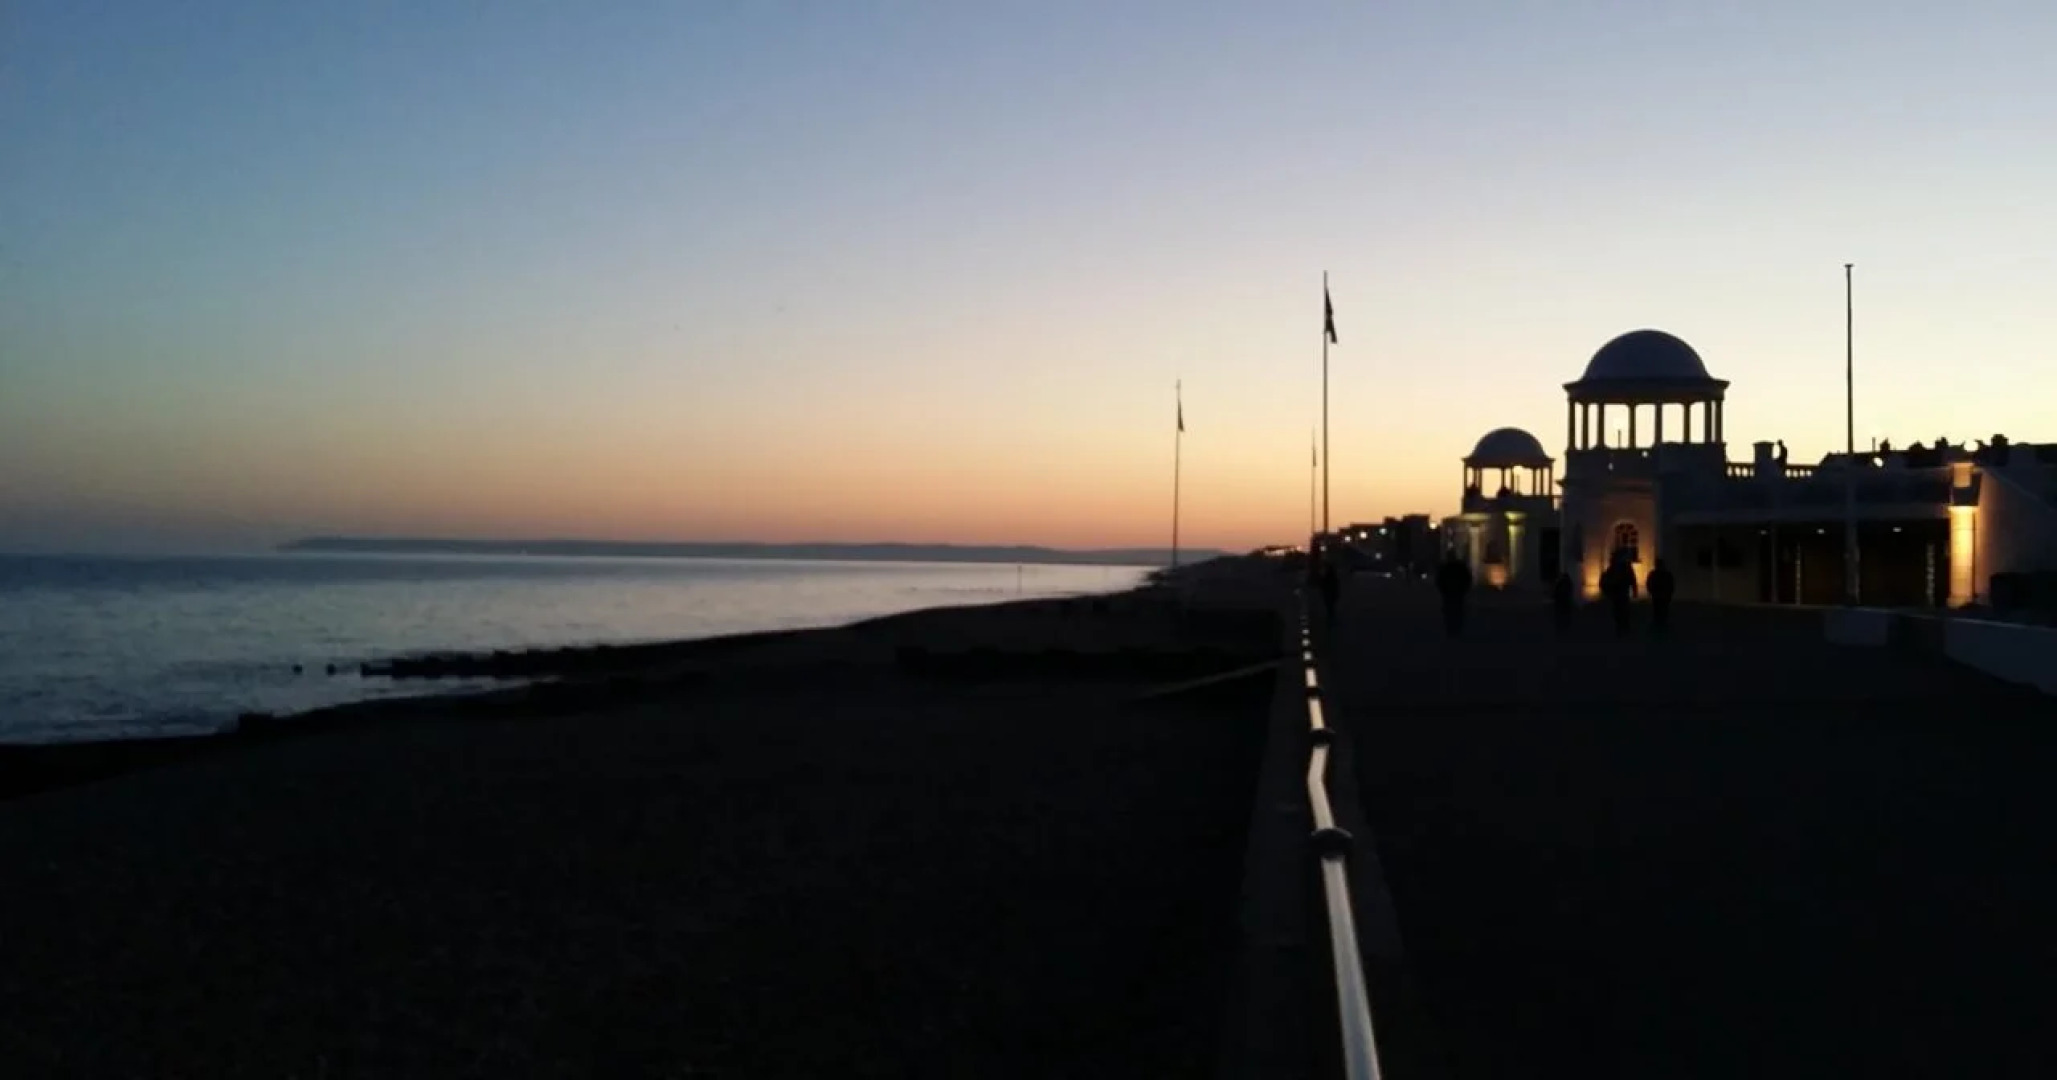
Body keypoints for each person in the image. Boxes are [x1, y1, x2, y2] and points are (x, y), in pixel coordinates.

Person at [1435, 552, 1472, 637]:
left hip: (1450, 593)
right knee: (1457, 611)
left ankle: (1451, 629)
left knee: (1450, 611)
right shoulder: (1460, 567)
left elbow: (1439, 580)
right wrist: (1464, 589)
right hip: (1457, 592)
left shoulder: (1445, 567)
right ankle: (1456, 628)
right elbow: (1467, 578)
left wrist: (1443, 590)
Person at [1600, 551, 1636, 638]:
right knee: (1620, 611)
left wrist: (1634, 590)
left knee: (1621, 611)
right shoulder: (1618, 567)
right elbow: (1632, 579)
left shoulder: (1621, 566)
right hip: (1619, 592)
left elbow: (1632, 578)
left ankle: (1622, 628)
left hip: (1620, 592)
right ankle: (1622, 628)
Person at [1646, 558, 1676, 635]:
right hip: (1660, 595)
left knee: (1659, 610)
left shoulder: (1654, 574)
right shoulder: (1666, 574)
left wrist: (1650, 591)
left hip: (1659, 595)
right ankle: (1661, 626)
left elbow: (1649, 583)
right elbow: (1671, 585)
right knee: (1661, 610)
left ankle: (1659, 626)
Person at [1320, 559, 1342, 625]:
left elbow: (1324, 584)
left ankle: (1331, 620)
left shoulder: (1327, 576)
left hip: (1329, 594)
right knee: (1331, 607)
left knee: (1329, 607)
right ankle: (1332, 619)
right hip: (1331, 594)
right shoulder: (1333, 576)